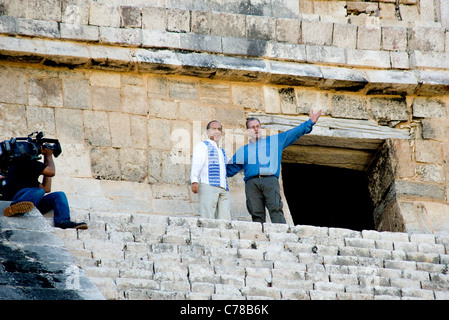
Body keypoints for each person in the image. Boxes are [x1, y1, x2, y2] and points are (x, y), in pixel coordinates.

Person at [227, 109, 322, 224]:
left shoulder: (275, 141)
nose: (256, 129)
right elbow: (229, 169)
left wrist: (310, 122)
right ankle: (260, 239)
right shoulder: (243, 150)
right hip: (252, 184)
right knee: (256, 214)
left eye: (258, 126)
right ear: (247, 131)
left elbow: (293, 133)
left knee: (276, 209)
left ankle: (282, 237)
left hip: (270, 181)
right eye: (252, 127)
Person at [2, 144, 88, 229]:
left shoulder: (29, 175)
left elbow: (47, 188)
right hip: (17, 197)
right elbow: (51, 172)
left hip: (31, 202)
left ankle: (63, 222)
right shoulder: (23, 162)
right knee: (39, 191)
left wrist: (46, 160)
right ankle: (16, 207)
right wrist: (48, 156)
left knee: (59, 195)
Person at [190, 120, 231, 220]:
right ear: (207, 132)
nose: (217, 131)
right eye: (213, 129)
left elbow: (230, 165)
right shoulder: (202, 145)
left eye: (219, 129)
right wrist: (194, 181)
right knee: (208, 217)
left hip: (223, 188)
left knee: (225, 219)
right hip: (208, 185)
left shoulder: (222, 151)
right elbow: (197, 163)